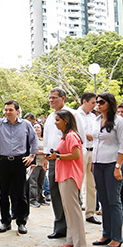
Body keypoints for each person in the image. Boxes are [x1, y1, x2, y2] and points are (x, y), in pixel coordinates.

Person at [0, 100, 38, 234]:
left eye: (10, 110)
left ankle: (21, 222)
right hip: (3, 162)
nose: (7, 112)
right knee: (4, 193)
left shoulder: (26, 124)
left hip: (19, 162)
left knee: (21, 194)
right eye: (6, 110)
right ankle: (5, 222)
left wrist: (32, 156)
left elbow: (33, 140)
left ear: (17, 111)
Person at [43, 87, 86, 239]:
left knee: (71, 196)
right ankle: (60, 227)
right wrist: (45, 158)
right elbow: (47, 139)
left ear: (63, 98)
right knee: (55, 193)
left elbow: (81, 140)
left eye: (54, 97)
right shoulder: (49, 117)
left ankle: (73, 229)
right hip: (54, 160)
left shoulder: (73, 114)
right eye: (50, 98)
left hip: (70, 161)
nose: (51, 100)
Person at [90, 92, 123, 247]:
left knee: (113, 201)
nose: (98, 105)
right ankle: (106, 233)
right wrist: (93, 162)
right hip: (98, 164)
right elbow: (96, 142)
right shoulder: (97, 120)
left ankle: (117, 237)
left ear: (110, 103)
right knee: (103, 201)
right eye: (96, 102)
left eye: (101, 102)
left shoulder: (119, 122)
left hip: (113, 164)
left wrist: (118, 167)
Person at [76, 92, 100, 225]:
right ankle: (77, 211)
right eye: (93, 103)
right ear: (84, 101)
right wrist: (87, 136)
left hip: (93, 150)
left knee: (92, 184)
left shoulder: (94, 117)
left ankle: (90, 212)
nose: (95, 105)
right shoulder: (75, 115)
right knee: (78, 182)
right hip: (81, 151)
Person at [28, 123, 47, 208]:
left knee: (41, 181)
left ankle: (41, 198)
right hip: (35, 162)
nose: (36, 129)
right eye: (34, 127)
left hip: (43, 163)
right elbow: (32, 150)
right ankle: (32, 199)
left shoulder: (44, 139)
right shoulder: (32, 139)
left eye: (38, 127)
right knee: (33, 182)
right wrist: (43, 152)